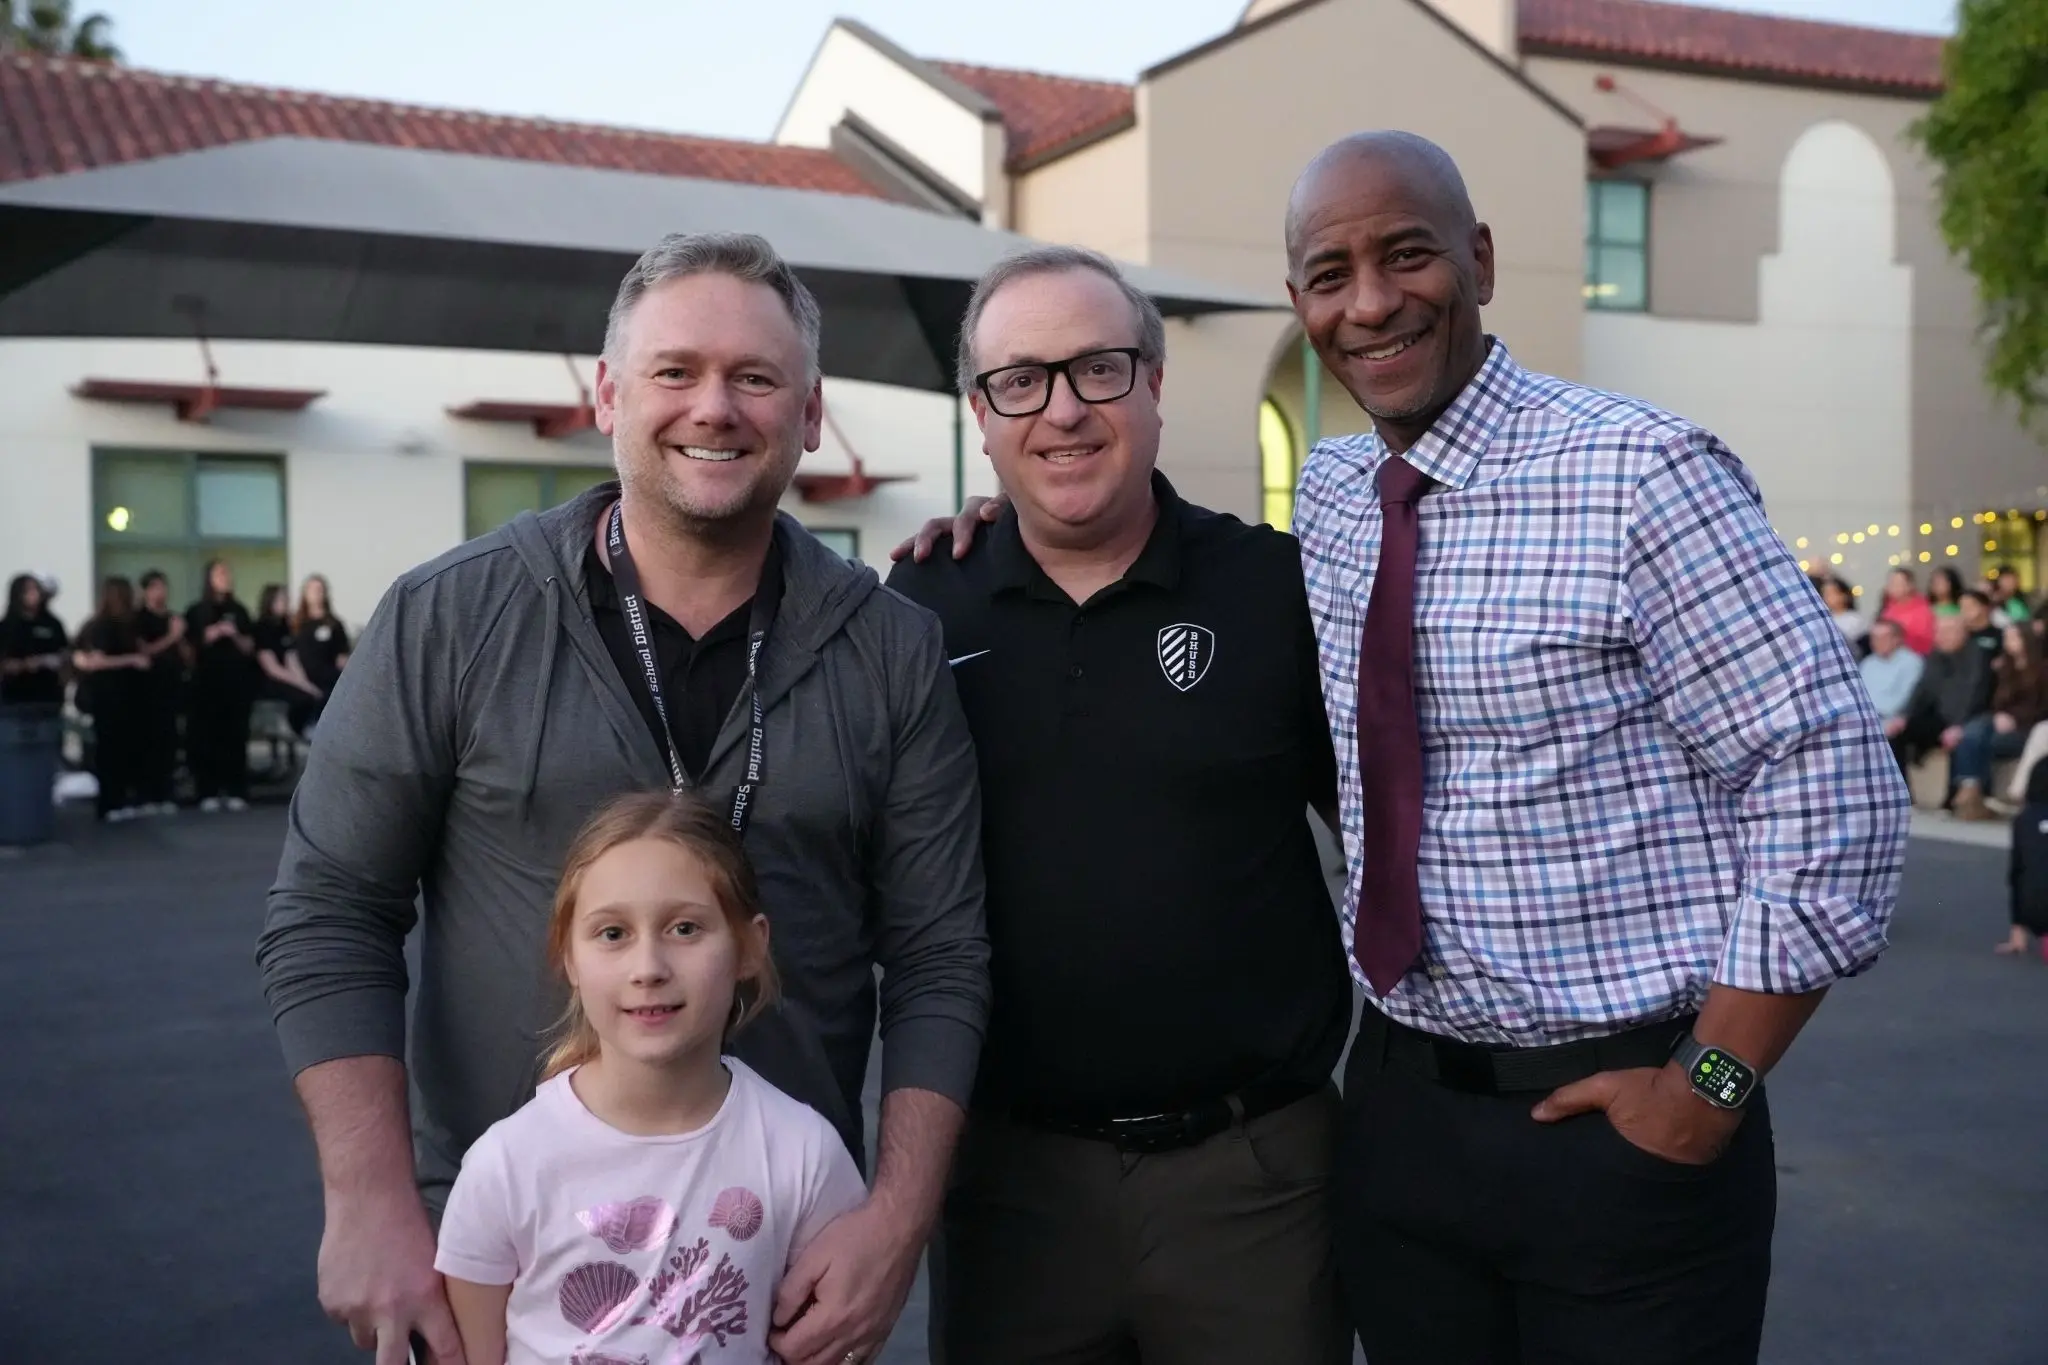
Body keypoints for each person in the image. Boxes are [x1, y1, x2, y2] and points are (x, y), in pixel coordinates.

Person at [257, 231, 989, 1365]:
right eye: (674, 371)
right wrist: (367, 1199)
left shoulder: (889, 651)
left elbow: (941, 952)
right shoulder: (452, 618)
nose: (715, 407)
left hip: (776, 1274)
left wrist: (894, 1223)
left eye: (755, 377)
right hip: (500, 1262)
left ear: (808, 414)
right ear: (609, 394)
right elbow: (332, 911)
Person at [1283, 132, 1907, 1364]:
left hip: (1625, 1126)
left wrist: (1705, 1095)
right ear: (1298, 300)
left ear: (1479, 261)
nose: (1368, 303)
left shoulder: (1642, 474)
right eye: (1327, 272)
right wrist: (1017, 520)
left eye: (1405, 255)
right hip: (1401, 1113)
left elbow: (1832, 798)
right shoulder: (1332, 494)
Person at [888, 247, 1352, 1364]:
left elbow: (1399, 839)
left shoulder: (1275, 591)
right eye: (1021, 381)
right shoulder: (918, 607)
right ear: (982, 416)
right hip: (1010, 1185)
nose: (1061, 411)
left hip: (1254, 1185)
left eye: (1097, 369)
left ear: (1151, 383)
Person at [436, 789, 867, 1365]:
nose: (649, 969)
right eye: (612, 934)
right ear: (569, 957)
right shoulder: (507, 1165)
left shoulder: (804, 1155)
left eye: (685, 929)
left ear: (748, 946)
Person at [70, 575, 152, 822]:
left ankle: (122, 797)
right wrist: (131, 660)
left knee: (125, 750)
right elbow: (94, 661)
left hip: (127, 697)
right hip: (107, 697)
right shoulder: (102, 626)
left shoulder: (128, 626)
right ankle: (109, 802)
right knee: (109, 750)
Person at [1948, 624, 2048, 820]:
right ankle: (1970, 788)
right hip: (1999, 719)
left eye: (2014, 638)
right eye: (2007, 638)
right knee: (1971, 734)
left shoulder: (2043, 670)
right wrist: (2002, 713)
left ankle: (1974, 795)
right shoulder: (2003, 667)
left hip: (2027, 724)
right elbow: (1994, 700)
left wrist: (2015, 717)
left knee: (1989, 742)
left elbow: (2042, 707)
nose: (2008, 643)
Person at [184, 559, 256, 812]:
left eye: (228, 572)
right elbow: (188, 648)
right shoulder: (197, 610)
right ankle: (208, 790)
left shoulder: (239, 610)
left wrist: (233, 633)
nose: (226, 577)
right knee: (207, 737)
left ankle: (236, 789)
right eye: (220, 573)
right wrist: (211, 634)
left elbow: (250, 647)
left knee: (235, 737)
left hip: (235, 683)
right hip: (206, 683)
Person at [1886, 613, 1993, 776]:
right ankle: (1902, 793)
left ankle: (1954, 797)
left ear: (1963, 633)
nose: (1940, 636)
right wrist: (1904, 716)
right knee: (1895, 734)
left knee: (1961, 739)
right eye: (1937, 632)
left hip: (1968, 718)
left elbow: (1976, 695)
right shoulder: (1935, 656)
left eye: (1947, 631)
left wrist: (1958, 725)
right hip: (1938, 717)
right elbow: (1921, 690)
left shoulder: (1978, 656)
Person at [133, 570, 187, 815]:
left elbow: (188, 655)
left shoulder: (174, 617)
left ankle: (166, 792)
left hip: (172, 687)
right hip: (146, 690)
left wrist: (181, 638)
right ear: (145, 591)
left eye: (163, 587)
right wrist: (171, 637)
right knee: (147, 742)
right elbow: (144, 651)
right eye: (154, 587)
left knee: (169, 741)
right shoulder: (139, 619)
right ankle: (146, 795)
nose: (160, 592)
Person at [253, 582, 329, 736]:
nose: (285, 602)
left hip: (286, 676)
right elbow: (271, 668)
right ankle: (296, 728)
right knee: (301, 698)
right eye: (281, 599)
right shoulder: (262, 627)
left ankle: (312, 727)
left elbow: (291, 659)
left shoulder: (285, 626)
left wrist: (305, 683)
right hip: (269, 679)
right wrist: (298, 683)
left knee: (318, 693)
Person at [1999, 759, 2048, 961]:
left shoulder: (2023, 819)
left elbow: (2018, 873)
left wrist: (2017, 929)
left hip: (2033, 912)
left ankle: (2022, 937)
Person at [0, 572, 68, 708]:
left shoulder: (53, 624)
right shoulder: (7, 627)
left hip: (48, 699)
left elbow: (65, 652)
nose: (34, 594)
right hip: (14, 701)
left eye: (36, 589)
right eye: (28, 590)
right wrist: (28, 664)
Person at [294, 574, 351, 701]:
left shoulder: (334, 623)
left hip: (328, 675)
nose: (316, 593)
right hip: (301, 674)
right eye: (312, 589)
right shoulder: (295, 622)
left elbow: (342, 655)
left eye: (319, 589)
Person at [1859, 617, 1924, 727]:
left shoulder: (1911, 662)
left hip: (1890, 720)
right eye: (1874, 638)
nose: (1877, 642)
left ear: (1897, 639)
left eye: (1883, 637)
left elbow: (1906, 700)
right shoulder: (1867, 663)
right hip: (1861, 718)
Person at [1877, 567, 1935, 656]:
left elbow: (1924, 641)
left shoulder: (1923, 609)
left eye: (1897, 583)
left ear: (1910, 585)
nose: (1892, 587)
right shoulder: (1886, 610)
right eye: (1890, 583)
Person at [1819, 576, 1868, 658]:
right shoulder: (1823, 621)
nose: (1828, 598)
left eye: (1832, 593)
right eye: (1825, 594)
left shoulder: (1854, 619)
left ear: (1844, 595)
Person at [1960, 588, 2002, 660]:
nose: (1965, 611)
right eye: (1962, 607)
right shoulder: (1959, 637)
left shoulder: (2000, 635)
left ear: (1984, 608)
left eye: (1969, 606)